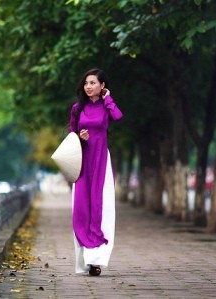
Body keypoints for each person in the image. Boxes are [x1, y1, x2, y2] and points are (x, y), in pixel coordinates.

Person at [68, 68, 123, 276]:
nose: (88, 86)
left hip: (101, 160)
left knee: (101, 206)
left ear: (102, 86)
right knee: (81, 209)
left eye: (92, 83)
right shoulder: (77, 108)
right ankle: (85, 258)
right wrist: (79, 138)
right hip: (83, 161)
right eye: (86, 83)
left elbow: (118, 116)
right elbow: (71, 135)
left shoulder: (106, 106)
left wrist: (108, 99)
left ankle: (96, 259)